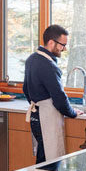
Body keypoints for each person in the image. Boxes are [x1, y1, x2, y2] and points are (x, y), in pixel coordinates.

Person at [23, 25, 81, 163]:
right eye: (62, 45)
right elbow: (59, 98)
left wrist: (37, 104)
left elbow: (25, 89)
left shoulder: (31, 59)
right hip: (46, 118)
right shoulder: (48, 65)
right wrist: (72, 112)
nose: (64, 48)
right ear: (51, 43)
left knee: (42, 159)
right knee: (50, 163)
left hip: (35, 115)